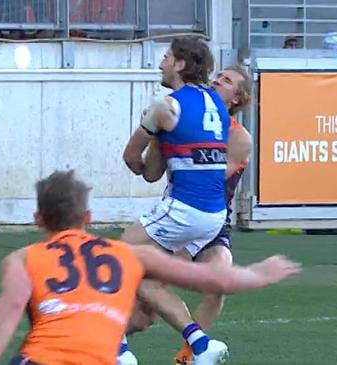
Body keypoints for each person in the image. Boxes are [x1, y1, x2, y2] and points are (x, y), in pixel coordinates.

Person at [0, 170, 300, 365]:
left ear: (38, 220)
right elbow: (209, 277)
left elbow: (8, 313)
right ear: (88, 219)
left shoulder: (21, 258)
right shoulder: (129, 255)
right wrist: (260, 273)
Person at [120, 36, 231, 364]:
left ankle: (121, 350)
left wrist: (148, 134)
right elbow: (160, 169)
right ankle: (195, 345)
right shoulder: (216, 103)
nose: (161, 62)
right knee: (147, 282)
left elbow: (132, 159)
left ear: (181, 64)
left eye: (166, 57)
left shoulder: (166, 105)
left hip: (185, 209)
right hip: (214, 217)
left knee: (117, 260)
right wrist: (159, 141)